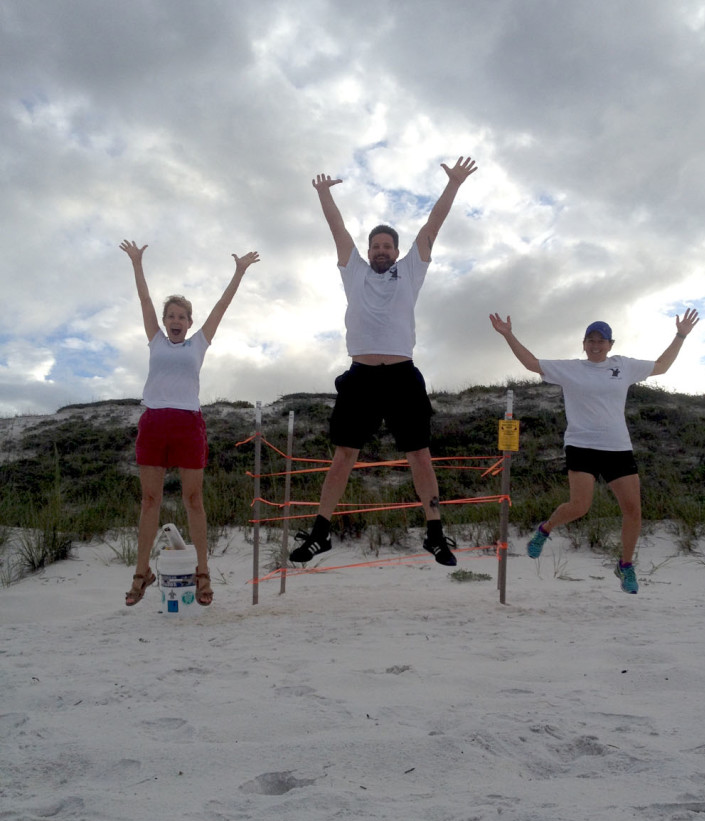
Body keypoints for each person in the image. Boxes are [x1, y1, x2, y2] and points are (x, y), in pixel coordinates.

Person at [290, 157, 478, 567]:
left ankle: (435, 534)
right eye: (375, 245)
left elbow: (432, 227)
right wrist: (324, 194)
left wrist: (454, 186)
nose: (380, 251)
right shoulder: (354, 271)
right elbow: (337, 231)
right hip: (360, 378)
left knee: (420, 456)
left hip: (401, 377)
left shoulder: (410, 271)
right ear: (369, 250)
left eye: (386, 246)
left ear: (395, 251)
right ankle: (320, 534)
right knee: (343, 457)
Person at [489, 309, 700, 593]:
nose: (596, 345)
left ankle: (625, 566)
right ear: (584, 344)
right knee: (580, 506)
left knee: (633, 511)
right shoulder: (571, 369)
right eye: (591, 340)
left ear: (611, 344)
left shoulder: (623, 366)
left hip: (617, 446)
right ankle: (545, 530)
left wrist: (680, 335)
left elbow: (662, 365)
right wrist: (508, 334)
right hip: (581, 443)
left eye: (602, 341)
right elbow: (531, 363)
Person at [120, 239, 260, 607]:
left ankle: (203, 572)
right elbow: (145, 301)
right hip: (154, 423)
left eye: (182, 317)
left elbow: (221, 307)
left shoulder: (198, 344)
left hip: (187, 424)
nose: (176, 321)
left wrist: (239, 272)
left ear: (190, 322)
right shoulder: (155, 341)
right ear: (165, 322)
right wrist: (137, 263)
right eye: (172, 316)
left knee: (193, 499)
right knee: (150, 501)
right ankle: (141, 573)